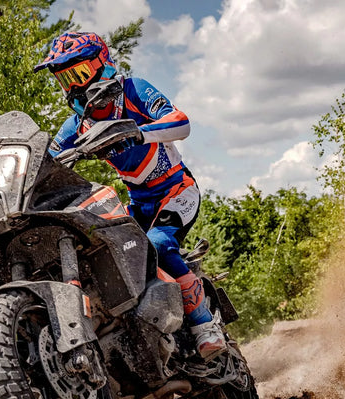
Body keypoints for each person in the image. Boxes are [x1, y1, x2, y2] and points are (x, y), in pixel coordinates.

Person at [34, 32, 226, 360]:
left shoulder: (133, 91)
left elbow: (181, 123)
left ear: (101, 65)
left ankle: (204, 324)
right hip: (139, 203)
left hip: (177, 191)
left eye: (79, 74)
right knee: (111, 252)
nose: (74, 86)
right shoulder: (76, 125)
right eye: (65, 79)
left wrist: (138, 132)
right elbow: (45, 162)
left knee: (158, 244)